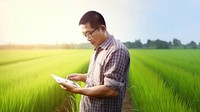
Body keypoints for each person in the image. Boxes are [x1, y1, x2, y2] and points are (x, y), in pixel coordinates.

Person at [60, 10, 130, 112]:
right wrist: (81, 77)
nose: (88, 38)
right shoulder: (98, 48)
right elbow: (98, 78)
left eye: (89, 33)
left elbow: (110, 90)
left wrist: (78, 90)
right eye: (85, 35)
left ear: (102, 28)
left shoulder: (116, 51)